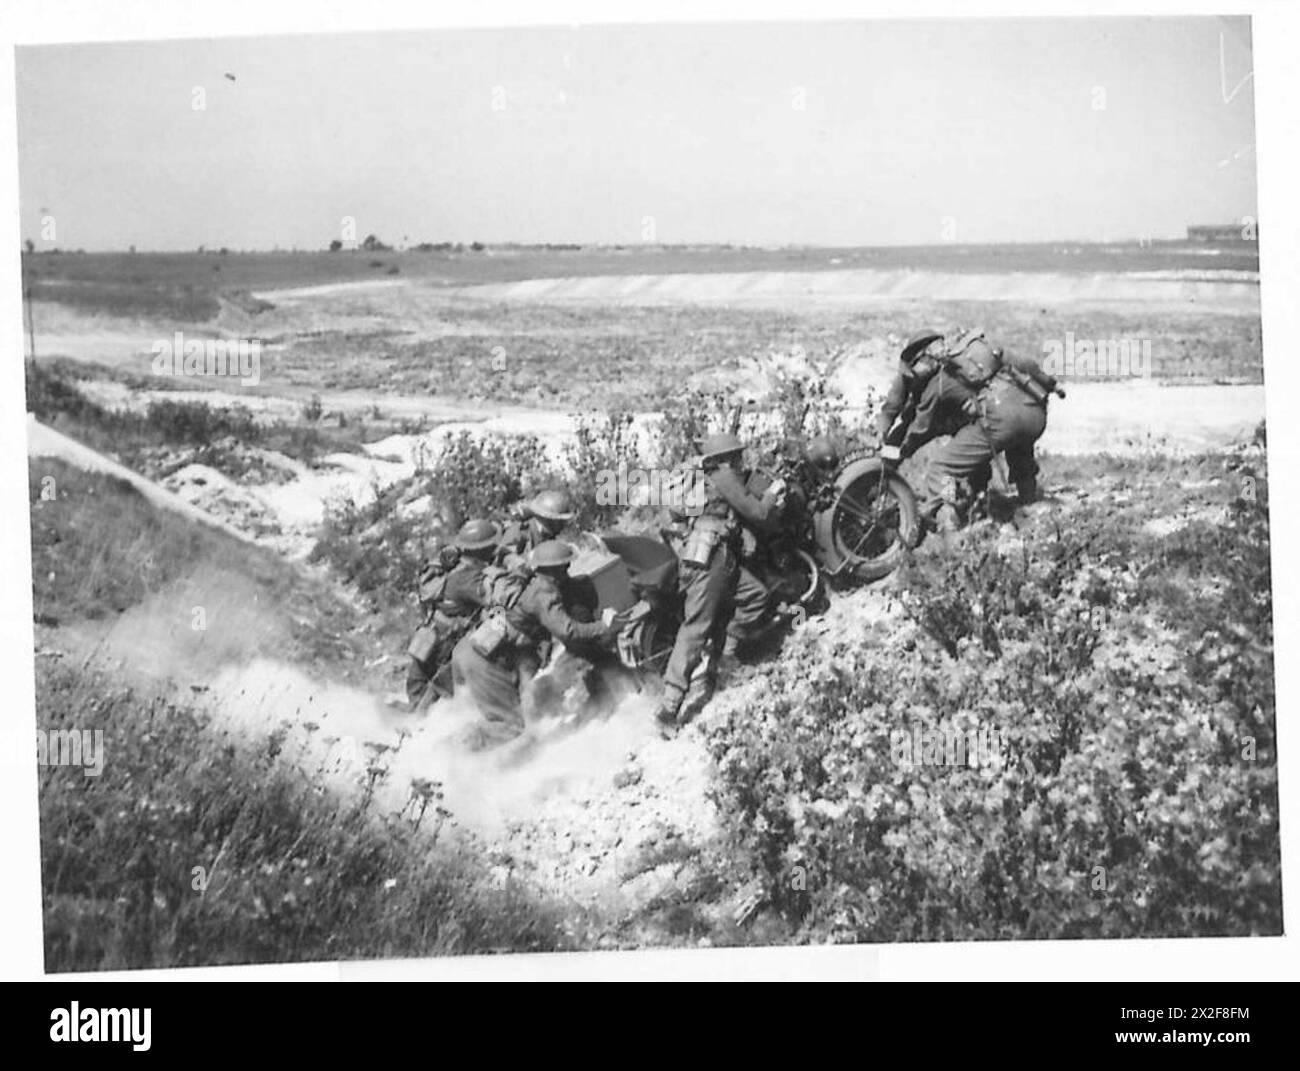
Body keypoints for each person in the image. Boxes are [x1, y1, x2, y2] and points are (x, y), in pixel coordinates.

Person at [654, 432, 784, 732]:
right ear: (726, 459)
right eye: (737, 456)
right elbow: (759, 512)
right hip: (710, 557)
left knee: (755, 596)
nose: (741, 461)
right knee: (696, 628)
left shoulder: (707, 479)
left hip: (719, 554)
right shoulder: (723, 476)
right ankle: (669, 708)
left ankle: (723, 661)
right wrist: (773, 492)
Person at [879, 328, 1061, 532]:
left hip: (1000, 421)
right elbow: (1025, 363)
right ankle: (1028, 501)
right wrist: (1050, 383)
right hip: (1033, 411)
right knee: (1013, 447)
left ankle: (948, 517)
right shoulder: (976, 355)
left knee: (943, 469)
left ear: (921, 359)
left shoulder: (937, 383)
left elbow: (920, 428)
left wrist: (898, 452)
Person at [451, 539, 624, 750]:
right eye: (565, 566)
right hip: (483, 662)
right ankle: (462, 746)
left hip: (473, 650)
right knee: (511, 728)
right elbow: (568, 631)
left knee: (517, 711)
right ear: (556, 569)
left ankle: (465, 743)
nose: (568, 570)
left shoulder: (529, 583)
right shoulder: (544, 593)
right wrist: (604, 626)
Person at [404, 521, 497, 711]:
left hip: (430, 634)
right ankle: (417, 726)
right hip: (447, 642)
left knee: (418, 686)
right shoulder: (469, 579)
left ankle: (409, 718)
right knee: (438, 688)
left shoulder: (454, 565)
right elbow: (497, 602)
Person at [497, 489, 576, 569]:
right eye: (559, 521)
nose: (562, 525)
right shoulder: (520, 530)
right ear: (546, 519)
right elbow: (505, 556)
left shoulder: (548, 534)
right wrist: (526, 562)